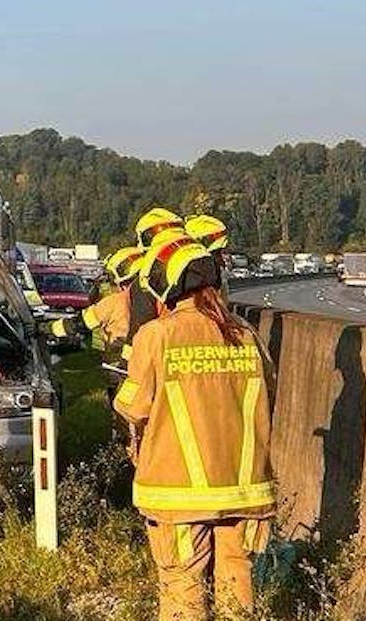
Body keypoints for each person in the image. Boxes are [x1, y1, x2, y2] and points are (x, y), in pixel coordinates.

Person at [115, 235, 275, 620]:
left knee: (182, 588)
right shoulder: (246, 335)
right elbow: (270, 389)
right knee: (238, 584)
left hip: (177, 495)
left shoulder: (156, 335)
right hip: (244, 489)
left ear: (168, 286)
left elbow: (132, 406)